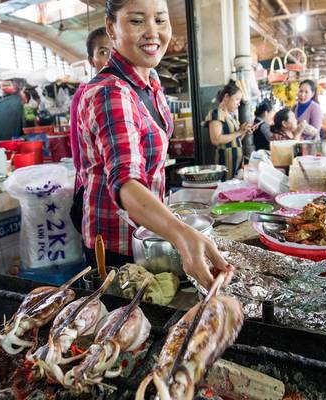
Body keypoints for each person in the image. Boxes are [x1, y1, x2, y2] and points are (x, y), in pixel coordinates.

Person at [77, 0, 232, 289]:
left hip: (150, 232)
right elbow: (125, 182)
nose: (153, 32)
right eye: (137, 21)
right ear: (111, 28)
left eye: (160, 20)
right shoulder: (110, 93)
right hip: (117, 244)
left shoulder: (151, 81)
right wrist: (182, 234)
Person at [69, 27, 113, 235]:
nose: (110, 58)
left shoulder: (128, 91)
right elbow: (78, 154)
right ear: (91, 60)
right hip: (100, 193)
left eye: (114, 51)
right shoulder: (84, 95)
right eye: (103, 52)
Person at [207, 80, 253, 180]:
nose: (239, 104)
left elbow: (236, 140)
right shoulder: (216, 113)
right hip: (225, 162)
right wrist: (239, 132)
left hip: (236, 162)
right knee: (226, 189)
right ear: (227, 97)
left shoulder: (232, 116)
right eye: (237, 99)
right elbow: (216, 139)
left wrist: (243, 131)